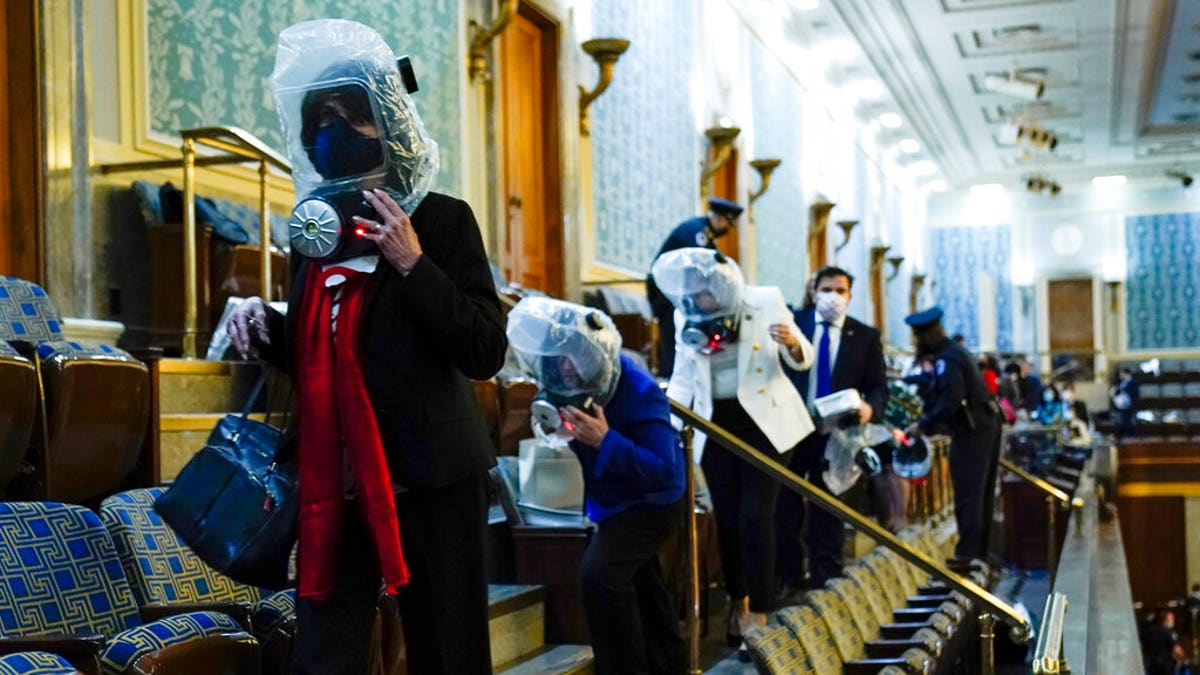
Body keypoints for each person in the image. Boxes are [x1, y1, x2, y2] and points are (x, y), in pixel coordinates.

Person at [227, 20, 505, 674]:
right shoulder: (315, 232)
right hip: (337, 478)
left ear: (386, 124)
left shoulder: (442, 219)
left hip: (429, 476)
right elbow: (317, 356)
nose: (330, 135)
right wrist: (263, 326)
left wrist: (414, 263)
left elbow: (484, 349)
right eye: (317, 121)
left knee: (447, 651)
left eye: (345, 118)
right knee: (325, 651)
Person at [506, 297, 686, 675]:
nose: (568, 368)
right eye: (562, 358)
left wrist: (607, 441)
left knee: (600, 578)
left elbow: (666, 474)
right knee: (646, 590)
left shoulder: (640, 390)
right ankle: (667, 666)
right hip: (609, 497)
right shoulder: (559, 367)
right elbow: (546, 400)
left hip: (651, 503)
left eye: (577, 359)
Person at [652, 247, 815, 646]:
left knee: (756, 515)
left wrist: (792, 342)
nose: (697, 300)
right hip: (717, 424)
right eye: (689, 293)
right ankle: (737, 602)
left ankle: (760, 614)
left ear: (721, 286)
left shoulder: (763, 299)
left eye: (703, 292)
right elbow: (683, 378)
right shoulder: (685, 314)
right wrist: (669, 429)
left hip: (766, 422)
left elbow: (803, 358)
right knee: (726, 520)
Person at [775, 266, 887, 598]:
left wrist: (869, 409)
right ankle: (788, 575)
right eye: (827, 289)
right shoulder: (796, 324)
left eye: (841, 291)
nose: (833, 297)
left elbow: (879, 387)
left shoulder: (864, 336)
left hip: (836, 433)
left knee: (829, 506)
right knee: (785, 504)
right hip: (794, 426)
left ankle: (826, 580)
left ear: (850, 296)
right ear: (813, 291)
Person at [904, 306, 1002, 560]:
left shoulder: (947, 358)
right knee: (980, 492)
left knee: (969, 491)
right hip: (983, 424)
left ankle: (969, 555)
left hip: (972, 429)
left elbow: (951, 399)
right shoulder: (953, 353)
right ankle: (977, 553)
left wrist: (923, 424)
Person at [646, 197, 743, 377]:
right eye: (726, 224)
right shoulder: (696, 233)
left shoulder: (703, 233)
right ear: (720, 219)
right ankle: (672, 378)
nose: (726, 229)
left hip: (674, 291)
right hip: (666, 292)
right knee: (674, 334)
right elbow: (698, 271)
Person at [1142, 609, 1185, 675]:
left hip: (1151, 665)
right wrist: (1183, 659)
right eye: (1172, 619)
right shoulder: (1168, 632)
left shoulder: (1147, 631)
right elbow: (1177, 650)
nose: (1173, 621)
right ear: (1165, 619)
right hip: (1166, 666)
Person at [1112, 367, 1141, 438]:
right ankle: (1123, 435)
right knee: (1123, 420)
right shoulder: (1122, 383)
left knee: (1128, 421)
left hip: (1130, 405)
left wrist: (1126, 394)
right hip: (1122, 405)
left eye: (1121, 374)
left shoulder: (1133, 382)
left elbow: (1135, 394)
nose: (1120, 376)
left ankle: (1129, 435)